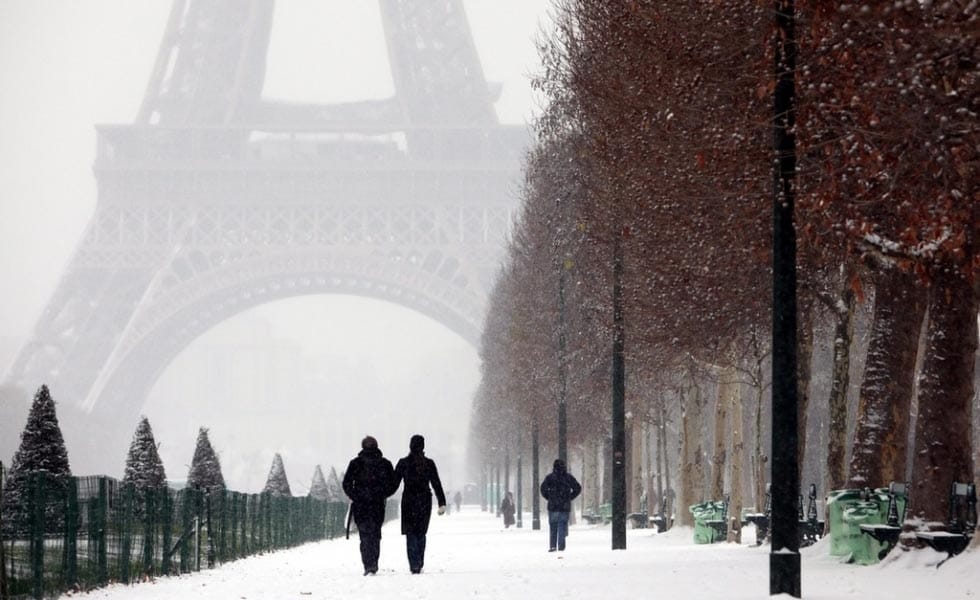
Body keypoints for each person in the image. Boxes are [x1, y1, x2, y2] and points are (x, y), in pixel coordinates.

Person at [392, 434, 447, 574]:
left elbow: (393, 484)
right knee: (421, 533)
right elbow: (436, 483)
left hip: (409, 501)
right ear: (423, 446)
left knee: (410, 533)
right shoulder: (429, 463)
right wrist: (442, 502)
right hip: (424, 500)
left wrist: (381, 494)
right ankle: (420, 561)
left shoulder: (403, 463)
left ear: (410, 446)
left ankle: (414, 564)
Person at [343, 435, 397, 575]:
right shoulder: (385, 463)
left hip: (361, 505)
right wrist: (383, 493)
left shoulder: (355, 463)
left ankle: (368, 564)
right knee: (375, 534)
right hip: (377, 504)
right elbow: (393, 484)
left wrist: (355, 496)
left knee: (364, 535)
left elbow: (346, 483)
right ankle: (373, 563)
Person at [540, 458, 581, 552]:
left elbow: (543, 489)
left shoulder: (550, 477)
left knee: (553, 527)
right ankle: (561, 545)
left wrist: (549, 497)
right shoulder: (568, 477)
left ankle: (553, 546)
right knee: (562, 525)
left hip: (553, 506)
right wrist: (570, 497)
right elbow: (578, 488)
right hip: (564, 506)